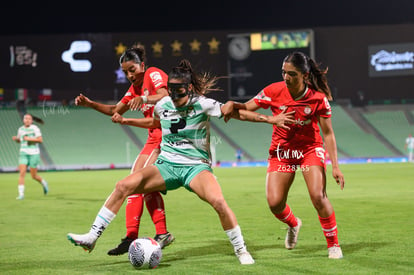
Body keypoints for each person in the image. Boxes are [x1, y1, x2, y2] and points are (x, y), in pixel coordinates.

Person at [66, 59, 292, 264]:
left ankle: (241, 250)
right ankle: (92, 237)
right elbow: (155, 123)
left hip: (195, 167)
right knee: (123, 185)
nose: (174, 97)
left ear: (189, 88)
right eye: (171, 91)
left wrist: (270, 118)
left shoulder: (203, 103)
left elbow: (236, 113)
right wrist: (126, 120)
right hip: (166, 165)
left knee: (219, 203)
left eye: (179, 92)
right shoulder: (163, 105)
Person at [229, 51, 345, 259]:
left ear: (305, 76)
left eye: (292, 74)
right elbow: (245, 109)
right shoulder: (273, 91)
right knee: (274, 203)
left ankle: (333, 245)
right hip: (282, 152)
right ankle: (293, 223)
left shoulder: (318, 100)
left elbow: (328, 133)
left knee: (318, 195)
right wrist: (239, 109)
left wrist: (335, 166)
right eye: (284, 73)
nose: (286, 78)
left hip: (309, 150)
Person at [74, 45, 174, 255]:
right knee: (135, 183)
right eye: (125, 72)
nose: (130, 75)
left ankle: (152, 234)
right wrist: (90, 104)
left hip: (167, 136)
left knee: (139, 183)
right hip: (152, 138)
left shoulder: (153, 74)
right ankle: (137, 236)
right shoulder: (134, 89)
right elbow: (114, 109)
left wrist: (144, 99)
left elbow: (165, 95)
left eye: (132, 69)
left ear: (142, 65)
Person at [12, 113, 49, 200]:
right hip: (23, 153)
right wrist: (16, 139)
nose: (27, 120)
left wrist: (29, 139)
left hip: (34, 153)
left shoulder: (35, 129)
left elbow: (40, 140)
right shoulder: (20, 129)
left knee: (33, 176)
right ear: (23, 120)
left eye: (29, 119)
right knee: (22, 173)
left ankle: (43, 183)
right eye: (26, 118)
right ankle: (21, 194)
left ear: (32, 121)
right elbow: (20, 140)